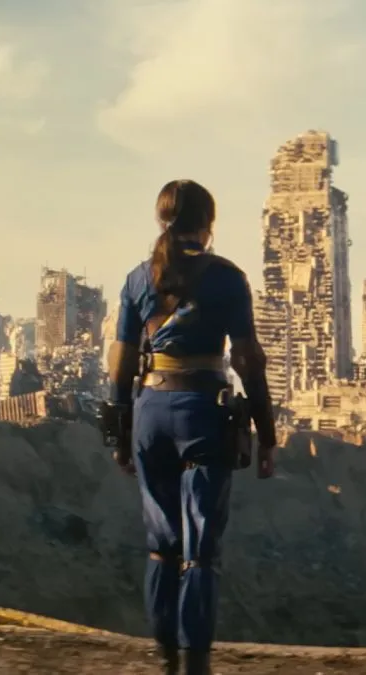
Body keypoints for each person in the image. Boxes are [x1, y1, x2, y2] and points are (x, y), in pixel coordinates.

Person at [103, 179, 278, 675]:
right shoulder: (227, 279)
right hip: (202, 413)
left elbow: (121, 363)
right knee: (200, 546)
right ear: (209, 223)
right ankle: (194, 661)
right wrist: (267, 434)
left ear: (162, 221)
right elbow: (248, 360)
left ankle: (164, 657)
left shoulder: (138, 279)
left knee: (160, 544)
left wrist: (119, 435)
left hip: (149, 415)